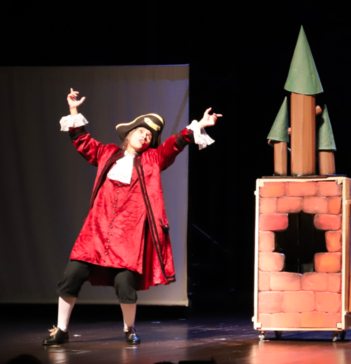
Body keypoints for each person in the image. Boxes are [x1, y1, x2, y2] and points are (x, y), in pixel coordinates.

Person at [43, 88, 221, 346]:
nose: (145, 137)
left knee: (125, 283)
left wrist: (199, 126)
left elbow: (174, 144)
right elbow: (82, 140)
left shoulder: (152, 159)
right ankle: (61, 330)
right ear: (129, 134)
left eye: (149, 136)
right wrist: (73, 109)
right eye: (141, 132)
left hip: (129, 234)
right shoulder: (107, 153)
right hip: (96, 230)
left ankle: (129, 329)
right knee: (71, 276)